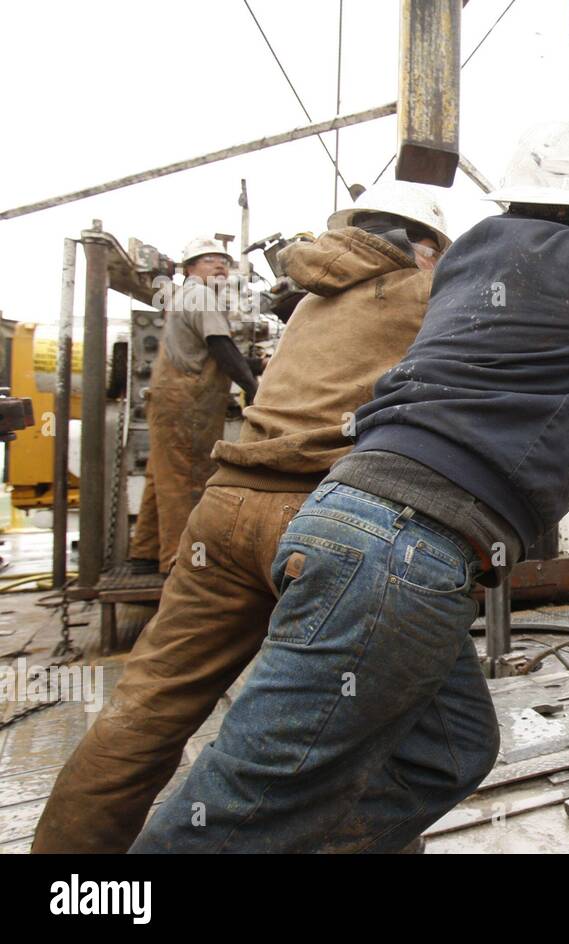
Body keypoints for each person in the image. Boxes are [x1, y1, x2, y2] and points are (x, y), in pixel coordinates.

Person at [130, 121, 569, 853]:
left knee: (448, 751)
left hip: (357, 523)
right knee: (237, 803)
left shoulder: (472, 253)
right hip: (398, 557)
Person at [32, 182, 452, 853]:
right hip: (323, 520)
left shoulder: (311, 301)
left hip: (224, 508)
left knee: (145, 707)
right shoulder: (424, 294)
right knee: (362, 718)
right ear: (421, 246)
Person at [127, 238, 258, 574]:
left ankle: (145, 553)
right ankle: (180, 565)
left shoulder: (183, 297)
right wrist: (254, 389)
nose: (219, 266)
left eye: (223, 261)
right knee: (187, 480)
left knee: (163, 475)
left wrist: (256, 366)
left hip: (172, 397)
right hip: (188, 401)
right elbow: (220, 347)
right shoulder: (200, 295)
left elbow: (214, 349)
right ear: (189, 269)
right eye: (209, 260)